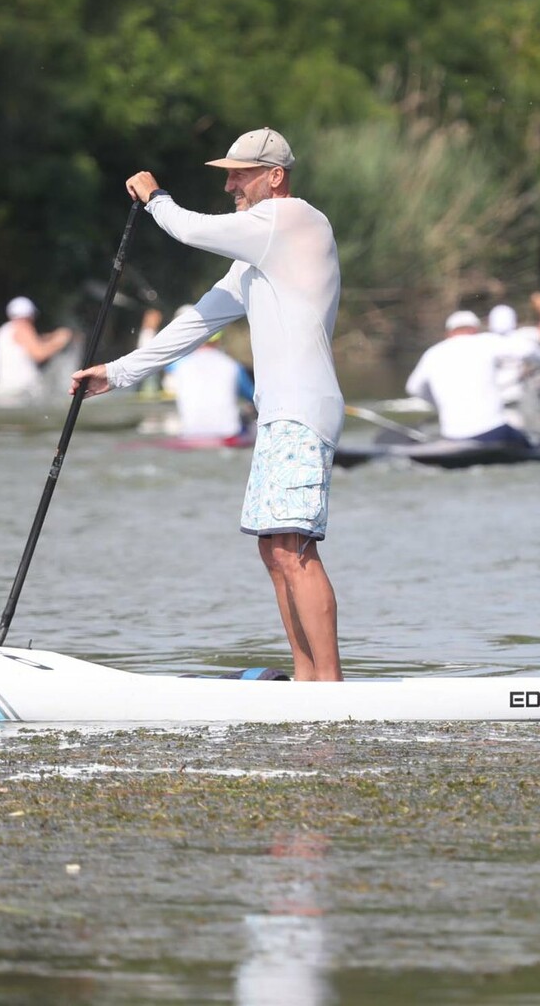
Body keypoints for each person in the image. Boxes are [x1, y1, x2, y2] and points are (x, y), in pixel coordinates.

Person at [71, 127, 344, 682]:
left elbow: (193, 229)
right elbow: (197, 322)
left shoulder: (292, 220)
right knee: (273, 550)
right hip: (277, 412)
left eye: (240, 174)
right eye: (227, 175)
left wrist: (156, 199)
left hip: (303, 406)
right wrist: (117, 373)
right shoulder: (258, 255)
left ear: (275, 176)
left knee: (293, 549)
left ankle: (333, 690)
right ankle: (306, 681)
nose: (230, 185)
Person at [405, 310, 532, 445]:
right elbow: (528, 350)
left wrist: (438, 405)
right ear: (474, 329)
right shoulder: (486, 341)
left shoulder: (432, 353)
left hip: (453, 437)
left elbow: (413, 388)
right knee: (527, 442)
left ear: (448, 332)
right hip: (494, 432)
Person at [164, 305, 255, 439]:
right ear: (219, 339)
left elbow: (160, 360)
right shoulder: (233, 366)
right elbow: (254, 397)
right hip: (228, 436)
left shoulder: (178, 365)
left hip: (190, 436)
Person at [487, 291, 540, 428]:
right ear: (514, 321)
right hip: (515, 402)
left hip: (490, 403)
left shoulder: (481, 342)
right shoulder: (523, 339)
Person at [0, 296, 73, 401]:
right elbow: (39, 354)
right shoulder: (23, 327)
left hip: (6, 389)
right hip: (22, 391)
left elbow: (35, 340)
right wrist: (60, 341)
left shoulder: (5, 330)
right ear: (31, 315)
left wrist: (53, 336)